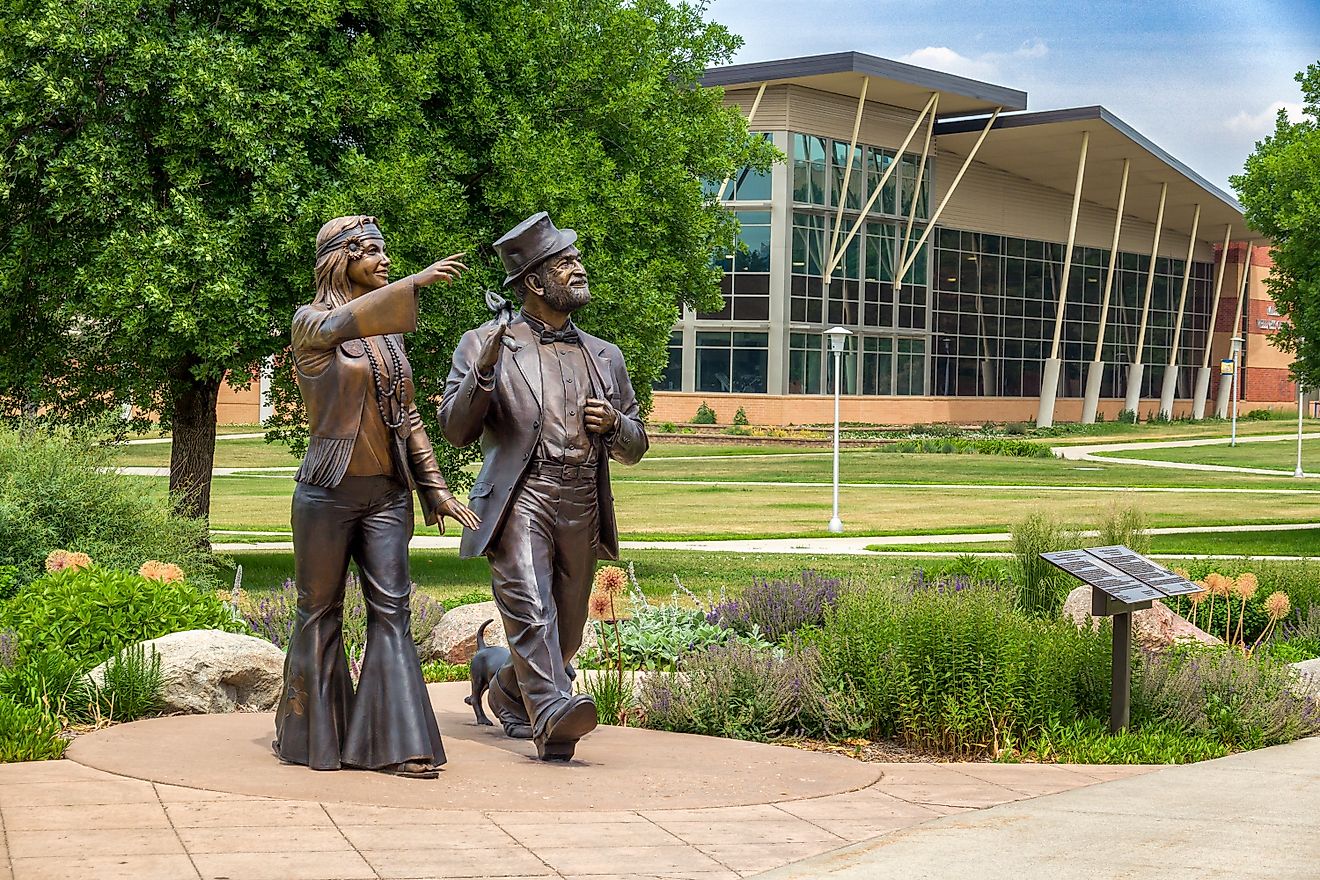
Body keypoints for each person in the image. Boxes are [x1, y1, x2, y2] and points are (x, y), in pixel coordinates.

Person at [273, 215, 480, 779]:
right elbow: (340, 322)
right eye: (370, 251)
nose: (383, 259)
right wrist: (411, 283)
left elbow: (408, 415)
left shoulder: (388, 338)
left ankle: (398, 743)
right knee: (319, 613)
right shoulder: (309, 322)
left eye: (386, 252)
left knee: (392, 610)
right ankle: (310, 735)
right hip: (327, 493)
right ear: (340, 259)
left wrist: (434, 489)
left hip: (387, 495)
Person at [440, 212, 648, 761]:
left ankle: (510, 691)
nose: (579, 269)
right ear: (534, 282)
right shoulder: (486, 343)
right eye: (566, 263)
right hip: (521, 497)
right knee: (532, 613)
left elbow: (637, 443)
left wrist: (616, 427)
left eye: (576, 259)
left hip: (582, 497)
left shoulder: (605, 354)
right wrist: (483, 370)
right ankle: (553, 716)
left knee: (568, 634)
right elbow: (456, 430)